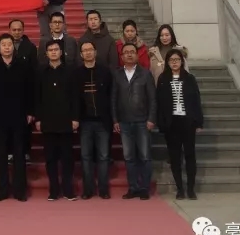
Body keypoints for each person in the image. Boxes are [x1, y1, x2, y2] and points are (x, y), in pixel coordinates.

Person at [0, 34, 33, 202]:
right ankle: (2, 190)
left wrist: (30, 112)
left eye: (9, 44)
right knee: (1, 154)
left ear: (14, 47)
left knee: (19, 154)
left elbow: (30, 91)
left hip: (19, 115)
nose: (6, 47)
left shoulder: (23, 66)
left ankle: (20, 191)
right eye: (3, 44)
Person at [111, 42, 157, 200]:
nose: (129, 54)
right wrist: (115, 119)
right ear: (122, 56)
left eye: (132, 52)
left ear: (137, 55)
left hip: (143, 121)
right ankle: (133, 187)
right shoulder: (117, 74)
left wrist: (151, 118)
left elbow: (153, 99)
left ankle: (144, 188)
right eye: (126, 52)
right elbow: (113, 99)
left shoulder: (145, 74)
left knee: (144, 156)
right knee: (129, 157)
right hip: (124, 122)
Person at [156, 49, 203, 200]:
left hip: (187, 121)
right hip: (172, 123)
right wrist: (161, 123)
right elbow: (159, 103)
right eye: (171, 60)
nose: (174, 62)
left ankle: (191, 189)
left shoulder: (189, 78)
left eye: (177, 59)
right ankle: (180, 189)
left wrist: (199, 122)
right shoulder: (163, 79)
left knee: (190, 155)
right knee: (175, 157)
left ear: (182, 61)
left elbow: (196, 101)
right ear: (167, 63)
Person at [35, 41, 79, 201]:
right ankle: (53, 190)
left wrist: (75, 118)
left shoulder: (70, 71)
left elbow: (75, 97)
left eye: (56, 49)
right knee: (50, 158)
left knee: (67, 158)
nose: (53, 52)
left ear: (61, 52)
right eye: (50, 50)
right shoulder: (41, 72)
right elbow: (37, 97)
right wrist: (38, 118)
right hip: (48, 121)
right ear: (46, 53)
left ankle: (68, 190)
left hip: (66, 121)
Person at [75, 40, 112, 199]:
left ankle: (103, 189)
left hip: (103, 121)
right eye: (85, 50)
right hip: (85, 121)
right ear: (81, 54)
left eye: (90, 49)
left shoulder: (105, 72)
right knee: (86, 156)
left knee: (103, 156)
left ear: (95, 52)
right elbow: (74, 98)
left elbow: (111, 96)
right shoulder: (76, 73)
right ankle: (88, 189)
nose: (88, 52)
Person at [10, 18, 38, 161]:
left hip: (25, 91)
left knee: (25, 124)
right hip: (9, 93)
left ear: (23, 30)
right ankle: (10, 152)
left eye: (19, 29)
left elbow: (34, 71)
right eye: (14, 30)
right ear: (9, 30)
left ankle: (26, 152)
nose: (16, 32)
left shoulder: (30, 47)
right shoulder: (4, 45)